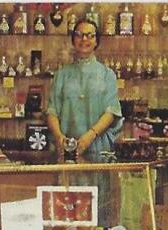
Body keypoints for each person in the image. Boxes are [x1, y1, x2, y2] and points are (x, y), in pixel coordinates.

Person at [46, 19, 122, 163]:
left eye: (90, 35)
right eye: (79, 34)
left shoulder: (107, 74)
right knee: (68, 185)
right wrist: (59, 137)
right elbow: (52, 111)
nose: (84, 39)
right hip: (66, 149)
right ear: (73, 39)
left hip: (98, 147)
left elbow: (111, 112)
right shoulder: (61, 74)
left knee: (97, 185)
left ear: (96, 41)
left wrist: (89, 137)